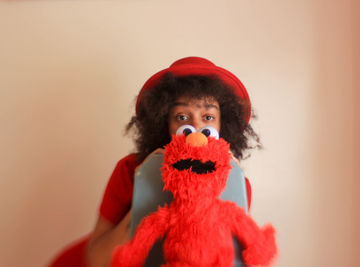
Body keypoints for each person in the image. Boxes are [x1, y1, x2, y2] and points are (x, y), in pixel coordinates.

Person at [49, 57, 261, 267]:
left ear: (223, 124)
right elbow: (96, 259)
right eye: (181, 117)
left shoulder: (235, 182)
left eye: (208, 117)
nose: (195, 128)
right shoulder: (130, 170)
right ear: (163, 124)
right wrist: (144, 193)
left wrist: (233, 182)